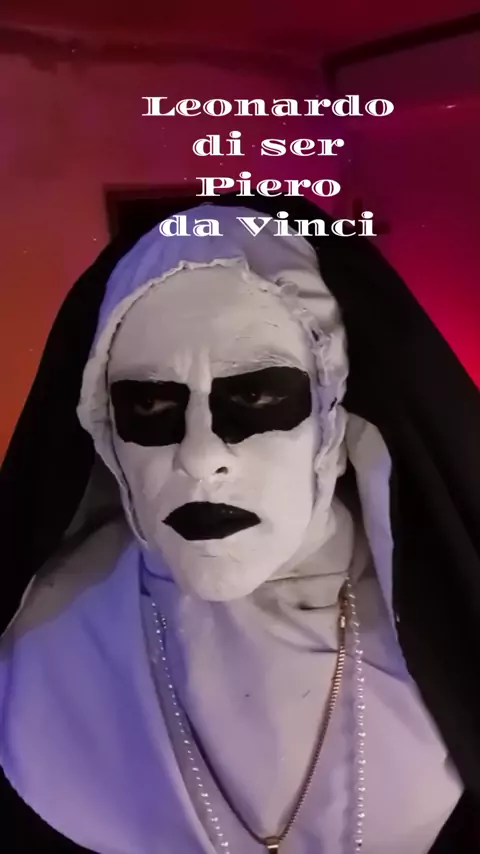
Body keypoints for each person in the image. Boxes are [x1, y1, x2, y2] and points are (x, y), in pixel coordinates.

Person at [1, 191, 479, 854]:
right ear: (106, 432)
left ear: (333, 413)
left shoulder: (455, 630)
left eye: (254, 394)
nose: (200, 459)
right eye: (150, 406)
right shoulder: (44, 656)